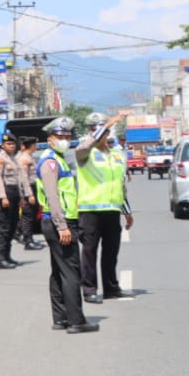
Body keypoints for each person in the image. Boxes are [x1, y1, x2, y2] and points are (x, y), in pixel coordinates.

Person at [35, 117, 98, 333]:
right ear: (50, 138)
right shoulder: (50, 162)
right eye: (60, 137)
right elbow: (53, 197)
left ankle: (61, 317)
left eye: (68, 137)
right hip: (59, 223)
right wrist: (62, 226)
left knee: (59, 271)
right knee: (72, 273)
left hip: (58, 221)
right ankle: (76, 321)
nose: (65, 140)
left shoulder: (59, 159)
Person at [75, 114, 133, 302]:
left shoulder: (117, 155)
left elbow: (120, 184)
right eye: (94, 130)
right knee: (90, 252)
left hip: (112, 211)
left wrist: (126, 210)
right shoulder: (84, 153)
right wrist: (106, 124)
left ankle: (111, 288)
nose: (99, 134)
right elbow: (84, 146)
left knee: (111, 252)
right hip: (90, 211)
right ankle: (90, 289)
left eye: (102, 130)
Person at [0, 133, 25, 270]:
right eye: (8, 144)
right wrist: (3, 197)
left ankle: (8, 256)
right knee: (4, 227)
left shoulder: (14, 159)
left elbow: (18, 180)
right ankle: (1, 259)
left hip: (14, 193)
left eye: (13, 144)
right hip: (5, 194)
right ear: (3, 145)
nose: (11, 146)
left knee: (12, 226)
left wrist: (21, 197)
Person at [18, 137, 45, 249]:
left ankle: (29, 239)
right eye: (35, 144)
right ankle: (28, 241)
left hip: (34, 188)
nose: (36, 146)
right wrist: (30, 195)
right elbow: (24, 179)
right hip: (28, 189)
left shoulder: (30, 157)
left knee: (32, 215)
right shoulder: (24, 158)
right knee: (28, 216)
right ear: (32, 145)